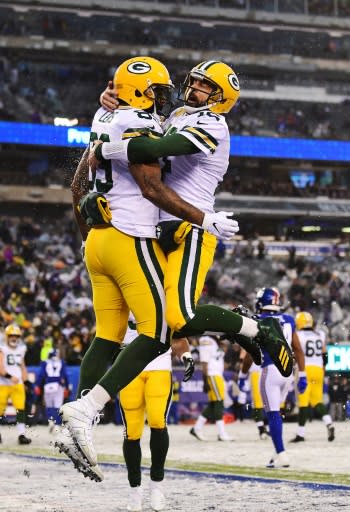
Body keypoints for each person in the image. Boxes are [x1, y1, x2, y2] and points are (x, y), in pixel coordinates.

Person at [60, 57, 292, 473]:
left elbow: (154, 149)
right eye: (195, 82)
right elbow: (144, 122)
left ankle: (256, 328)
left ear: (222, 98)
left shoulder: (213, 126)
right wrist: (114, 111)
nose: (192, 89)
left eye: (204, 86)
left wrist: (108, 141)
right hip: (154, 231)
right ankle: (83, 416)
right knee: (157, 326)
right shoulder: (178, 113)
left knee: (176, 319)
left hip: (189, 225)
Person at [119, 316, 194, 512]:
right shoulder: (119, 293)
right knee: (132, 432)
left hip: (159, 366)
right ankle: (134, 488)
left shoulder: (163, 293)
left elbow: (177, 335)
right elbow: (106, 336)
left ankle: (157, 485)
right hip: (128, 368)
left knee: (157, 422)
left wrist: (186, 356)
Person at [239, 288, 306, 468]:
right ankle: (277, 452)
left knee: (273, 413)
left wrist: (242, 374)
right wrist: (303, 374)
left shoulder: (257, 320)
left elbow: (250, 353)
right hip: (288, 373)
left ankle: (282, 453)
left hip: (270, 370)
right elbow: (298, 349)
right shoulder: (289, 320)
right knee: (277, 413)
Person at [290, 311, 335, 443]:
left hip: (305, 369)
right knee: (317, 401)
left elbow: (296, 353)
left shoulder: (297, 335)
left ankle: (300, 434)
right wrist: (323, 367)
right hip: (318, 369)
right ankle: (329, 423)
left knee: (303, 402)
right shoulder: (320, 334)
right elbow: (325, 354)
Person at [190, 334, 233, 442]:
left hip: (217, 374)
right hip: (212, 375)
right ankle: (222, 433)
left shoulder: (215, 340)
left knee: (214, 404)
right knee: (219, 403)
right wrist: (204, 380)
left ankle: (197, 428)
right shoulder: (206, 340)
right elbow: (204, 362)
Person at [0, 324, 32, 445]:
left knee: (20, 410)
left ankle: (21, 434)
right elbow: (0, 367)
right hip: (2, 383)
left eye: (16, 336)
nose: (14, 338)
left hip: (17, 384)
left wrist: (26, 381)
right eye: (11, 335)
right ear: (7, 336)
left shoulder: (21, 349)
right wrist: (9, 376)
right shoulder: (2, 348)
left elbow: (22, 366)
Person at [34, 348, 70, 432]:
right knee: (58, 406)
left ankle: (51, 422)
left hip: (48, 385)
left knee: (49, 406)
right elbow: (65, 375)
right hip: (58, 385)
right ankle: (56, 424)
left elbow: (41, 375)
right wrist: (67, 387)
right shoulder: (62, 362)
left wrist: (38, 385)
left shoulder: (45, 363)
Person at [238, 360, 269, 440]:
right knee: (259, 402)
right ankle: (262, 429)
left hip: (265, 371)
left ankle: (265, 427)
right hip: (260, 372)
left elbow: (245, 359)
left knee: (265, 402)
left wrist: (242, 376)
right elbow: (244, 360)